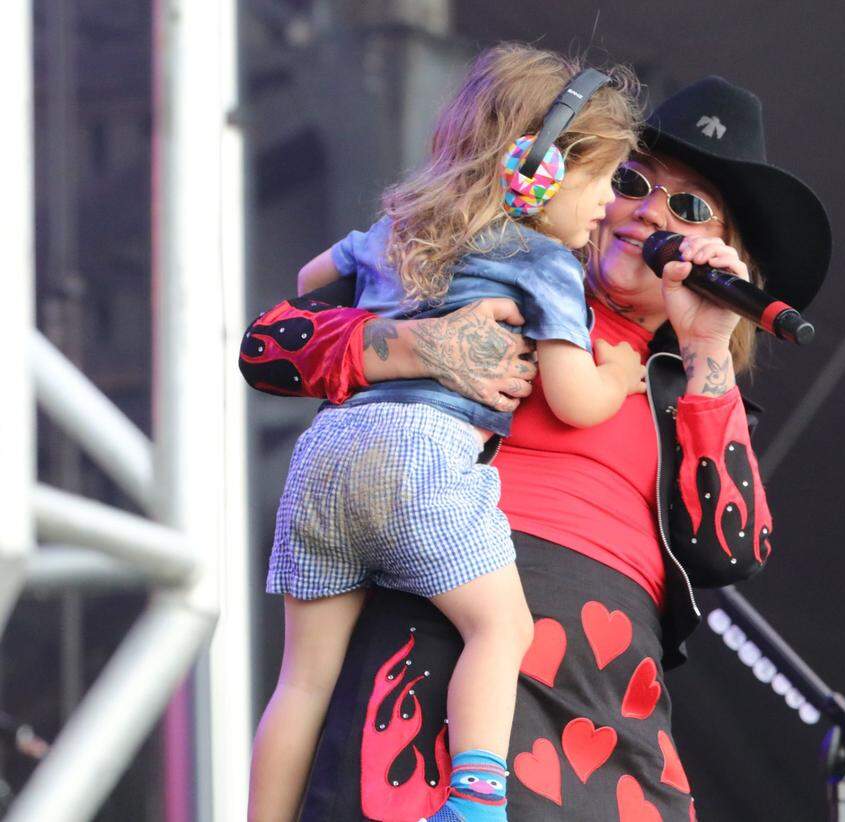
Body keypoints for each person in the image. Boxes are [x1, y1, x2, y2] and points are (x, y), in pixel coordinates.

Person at [241, 74, 832, 821]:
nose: (648, 210)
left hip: (608, 700)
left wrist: (708, 343)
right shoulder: (489, 275)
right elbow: (268, 346)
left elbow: (732, 549)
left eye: (686, 207)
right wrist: (413, 345)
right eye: (629, 180)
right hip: (439, 647)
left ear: (722, 251)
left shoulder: (690, 388)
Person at [247, 44, 645, 822]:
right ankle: (474, 802)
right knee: (501, 627)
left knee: (302, 680)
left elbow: (306, 285)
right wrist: (619, 380)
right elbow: (570, 397)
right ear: (545, 168)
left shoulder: (399, 225)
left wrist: (383, 322)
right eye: (601, 179)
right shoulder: (541, 258)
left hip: (327, 455)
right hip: (422, 456)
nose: (606, 206)